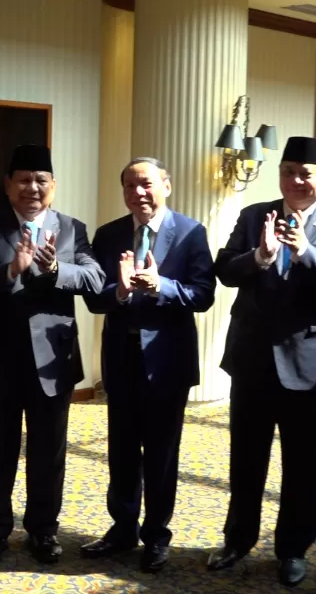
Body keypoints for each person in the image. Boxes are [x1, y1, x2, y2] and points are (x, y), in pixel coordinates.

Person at [209, 136, 316, 586]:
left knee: (302, 464)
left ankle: (293, 549)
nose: (296, 181)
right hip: (253, 359)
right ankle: (237, 540)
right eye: (288, 171)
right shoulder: (254, 215)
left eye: (306, 173)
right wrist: (259, 256)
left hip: (310, 365)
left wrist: (304, 252)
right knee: (246, 459)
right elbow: (224, 270)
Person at [0, 144, 105, 567]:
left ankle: (43, 531)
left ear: (53, 186)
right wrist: (10, 269)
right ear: (8, 186)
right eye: (23, 179)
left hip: (53, 362)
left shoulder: (72, 228)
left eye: (41, 180)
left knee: (49, 453)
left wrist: (55, 271)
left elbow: (95, 277)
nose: (32, 187)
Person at [80, 157, 215, 573]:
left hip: (167, 363)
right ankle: (122, 529)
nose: (139, 192)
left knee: (160, 453)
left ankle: (156, 535)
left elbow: (203, 294)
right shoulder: (108, 234)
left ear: (166, 187)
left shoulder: (191, 233)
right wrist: (118, 292)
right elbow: (93, 297)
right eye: (130, 186)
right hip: (120, 360)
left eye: (147, 184)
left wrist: (163, 287)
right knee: (121, 450)